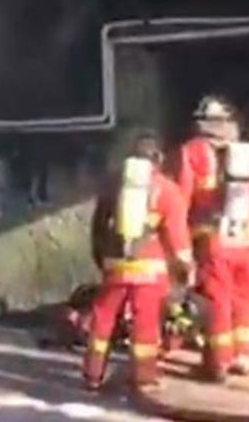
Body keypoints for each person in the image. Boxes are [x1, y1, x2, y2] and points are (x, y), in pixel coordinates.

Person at [84, 132, 193, 395]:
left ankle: (92, 374)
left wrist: (102, 259)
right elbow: (177, 236)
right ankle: (144, 376)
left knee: (103, 319)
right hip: (150, 270)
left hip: (115, 264)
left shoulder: (113, 184)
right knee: (146, 322)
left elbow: (98, 226)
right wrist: (186, 267)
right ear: (158, 158)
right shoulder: (167, 190)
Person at [174, 97, 249, 382]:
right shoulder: (245, 153)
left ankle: (219, 362)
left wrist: (182, 245)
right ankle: (245, 356)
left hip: (213, 239)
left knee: (218, 302)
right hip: (246, 240)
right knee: (245, 298)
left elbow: (181, 200)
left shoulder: (192, 152)